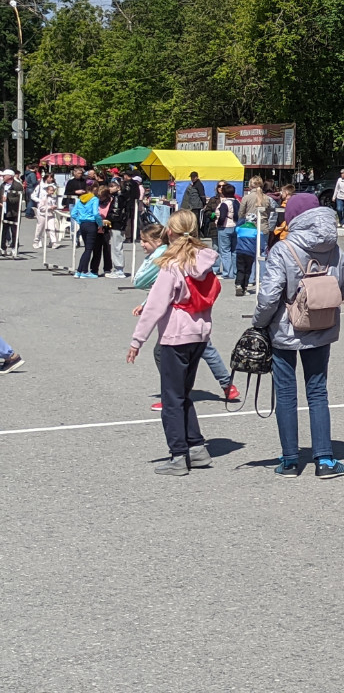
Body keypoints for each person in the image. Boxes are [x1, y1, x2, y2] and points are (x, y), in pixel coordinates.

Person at [254, 193, 344, 478]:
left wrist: (259, 324)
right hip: (321, 327)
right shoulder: (336, 249)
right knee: (318, 391)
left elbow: (269, 295)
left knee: (286, 392)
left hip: (285, 329)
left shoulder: (284, 249)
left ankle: (289, 461)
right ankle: (324, 459)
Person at [126, 210, 220, 476]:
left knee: (171, 399)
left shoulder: (171, 265)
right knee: (183, 394)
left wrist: (137, 340)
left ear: (170, 232)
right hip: (200, 333)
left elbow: (155, 306)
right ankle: (197, 447)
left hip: (175, 336)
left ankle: (178, 455)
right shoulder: (203, 260)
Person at [136, 223, 239, 410]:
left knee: (164, 353)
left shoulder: (169, 258)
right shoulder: (198, 255)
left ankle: (173, 394)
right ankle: (227, 384)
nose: (142, 244)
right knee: (206, 350)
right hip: (199, 315)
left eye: (145, 241)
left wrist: (137, 339)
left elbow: (156, 289)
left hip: (179, 319)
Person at [71, 183, 102, 277]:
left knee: (87, 248)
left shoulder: (80, 199)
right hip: (91, 224)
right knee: (89, 249)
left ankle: (83, 270)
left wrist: (80, 221)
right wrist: (100, 224)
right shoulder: (94, 199)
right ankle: (80, 271)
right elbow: (96, 213)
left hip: (83, 224)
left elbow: (73, 214)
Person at [212, 182, 240, 281]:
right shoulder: (237, 202)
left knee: (225, 251)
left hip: (225, 227)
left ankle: (227, 273)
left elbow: (222, 216)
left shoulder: (225, 203)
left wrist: (219, 223)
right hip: (235, 227)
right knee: (234, 251)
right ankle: (235, 271)